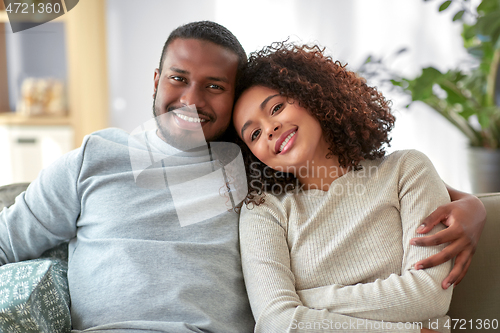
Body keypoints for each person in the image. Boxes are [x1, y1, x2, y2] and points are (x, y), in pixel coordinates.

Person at [0, 21, 486, 332]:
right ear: (155, 79)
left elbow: (367, 178)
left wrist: (473, 204)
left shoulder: (245, 167)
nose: (191, 99)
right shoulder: (93, 158)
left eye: (214, 87)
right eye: (177, 78)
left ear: (230, 101)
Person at [231, 42, 469, 332]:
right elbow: (276, 323)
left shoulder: (407, 170)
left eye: (277, 107)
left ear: (311, 95)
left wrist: (305, 303)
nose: (269, 129)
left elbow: (429, 295)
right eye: (254, 133)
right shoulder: (264, 210)